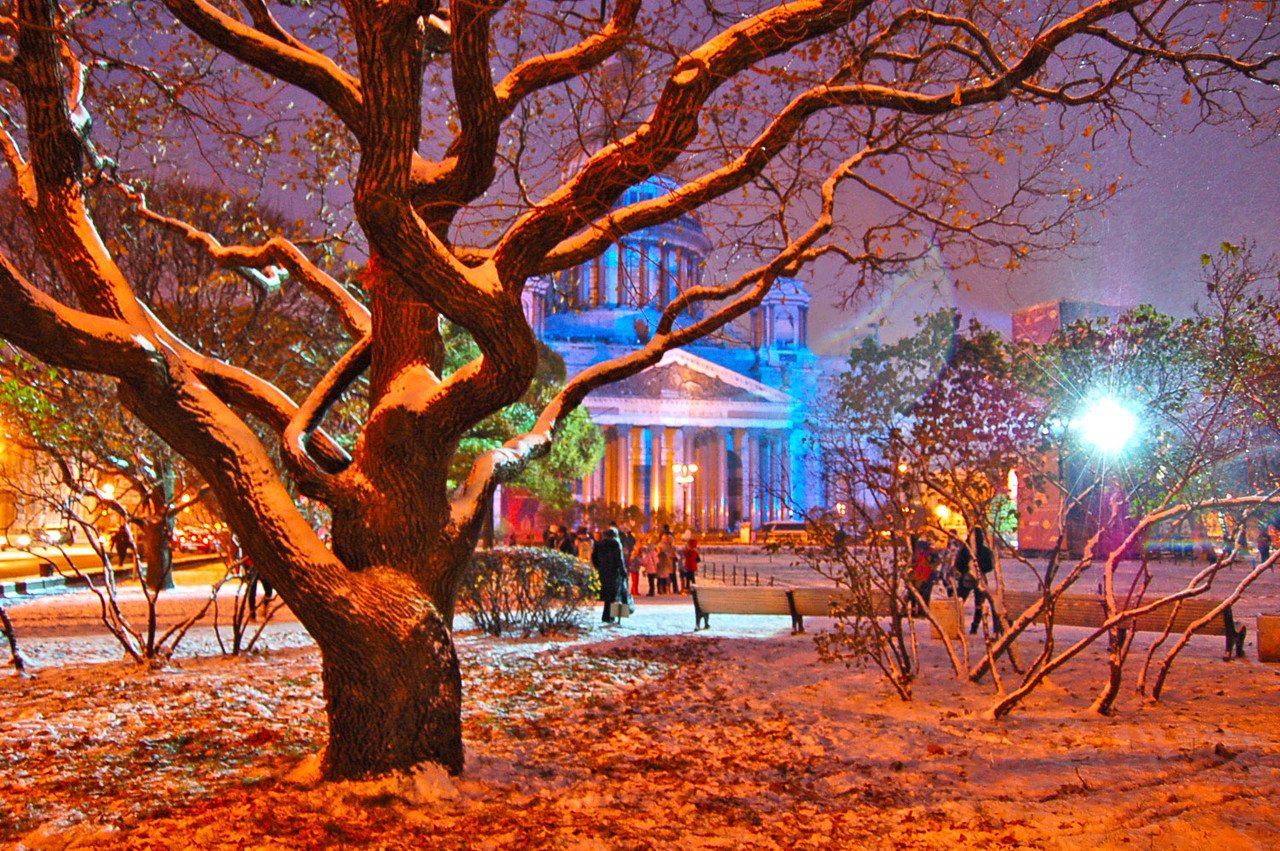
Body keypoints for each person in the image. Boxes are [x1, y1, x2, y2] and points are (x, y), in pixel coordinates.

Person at [590, 527, 628, 624]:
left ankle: (607, 615)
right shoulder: (615, 544)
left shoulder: (599, 544)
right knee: (614, 595)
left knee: (607, 594)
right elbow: (619, 558)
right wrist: (623, 570)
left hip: (603, 571)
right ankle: (610, 616)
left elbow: (593, 556)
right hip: (614, 571)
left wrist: (598, 566)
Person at [659, 525, 678, 594]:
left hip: (665, 561)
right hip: (668, 561)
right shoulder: (669, 543)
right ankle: (672, 589)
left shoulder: (662, 543)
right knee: (671, 575)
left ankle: (665, 588)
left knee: (666, 575)